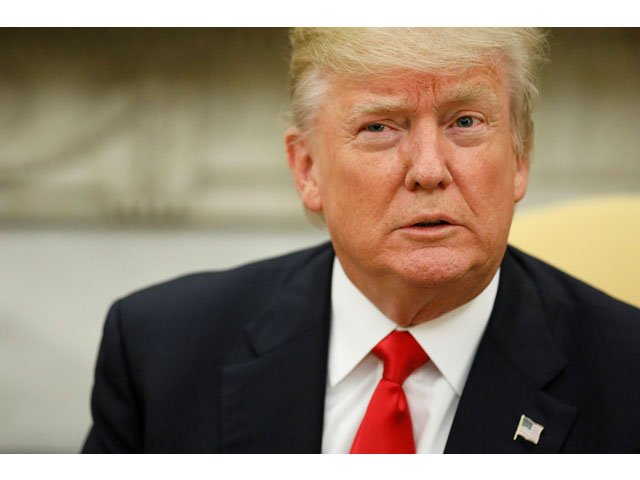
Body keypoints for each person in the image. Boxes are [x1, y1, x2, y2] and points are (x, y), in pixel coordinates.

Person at [82, 28, 640, 453]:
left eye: (465, 122)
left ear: (520, 158)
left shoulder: (626, 376)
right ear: (308, 170)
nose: (428, 169)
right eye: (379, 127)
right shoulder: (161, 353)